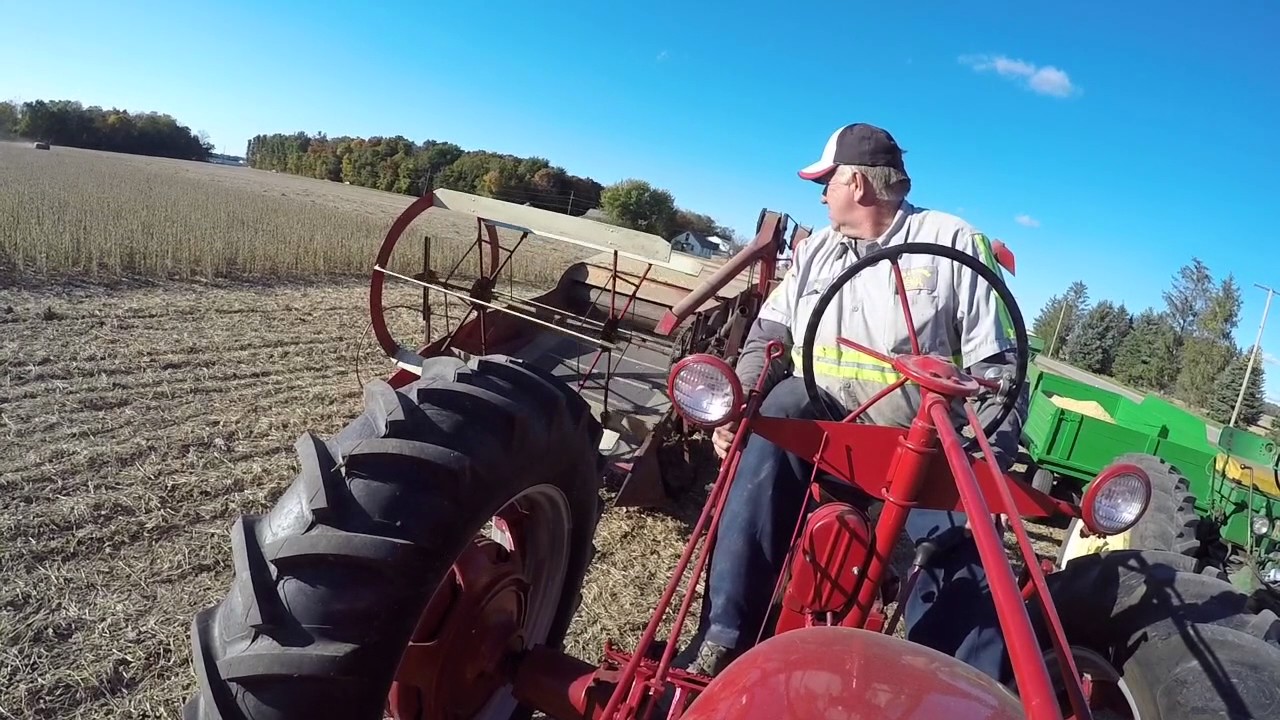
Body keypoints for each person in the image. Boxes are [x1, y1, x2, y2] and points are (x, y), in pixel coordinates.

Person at [677, 122, 1029, 684]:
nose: (821, 197)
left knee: (961, 552)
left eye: (828, 183)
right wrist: (741, 407)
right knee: (778, 415)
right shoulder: (817, 250)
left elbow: (1000, 369)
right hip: (829, 428)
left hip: (923, 441)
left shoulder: (952, 243)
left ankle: (960, 689)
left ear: (858, 184)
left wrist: (979, 463)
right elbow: (770, 335)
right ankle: (724, 638)